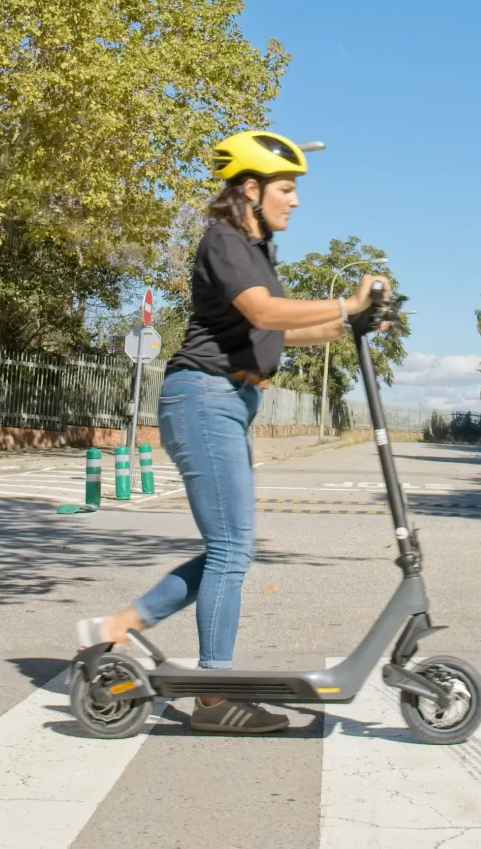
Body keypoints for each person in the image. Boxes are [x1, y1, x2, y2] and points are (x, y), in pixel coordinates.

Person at [76, 130, 385, 734]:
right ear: (251, 188)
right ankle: (213, 697)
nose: (295, 201)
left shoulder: (255, 250)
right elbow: (267, 313)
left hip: (228, 400)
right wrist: (344, 303)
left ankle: (116, 631)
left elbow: (282, 333)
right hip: (204, 398)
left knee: (230, 549)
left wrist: (353, 323)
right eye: (287, 189)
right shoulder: (224, 240)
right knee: (231, 550)